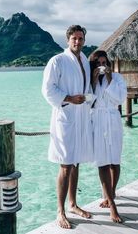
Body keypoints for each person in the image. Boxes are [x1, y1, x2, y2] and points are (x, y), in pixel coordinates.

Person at [42, 25, 94, 229]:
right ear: (68, 40)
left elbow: (87, 86)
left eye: (81, 39)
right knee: (65, 164)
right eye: (74, 38)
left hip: (81, 116)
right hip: (65, 116)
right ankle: (60, 211)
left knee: (77, 161)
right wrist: (69, 98)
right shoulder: (58, 61)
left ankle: (73, 204)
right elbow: (47, 89)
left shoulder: (84, 60)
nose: (78, 42)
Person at [89, 50, 127, 223]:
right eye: (98, 63)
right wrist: (94, 80)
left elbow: (120, 99)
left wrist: (110, 80)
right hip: (98, 121)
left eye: (104, 63)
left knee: (114, 161)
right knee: (102, 162)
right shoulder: (90, 80)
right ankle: (112, 203)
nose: (102, 66)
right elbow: (89, 102)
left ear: (109, 64)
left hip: (113, 120)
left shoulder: (117, 78)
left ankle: (110, 193)